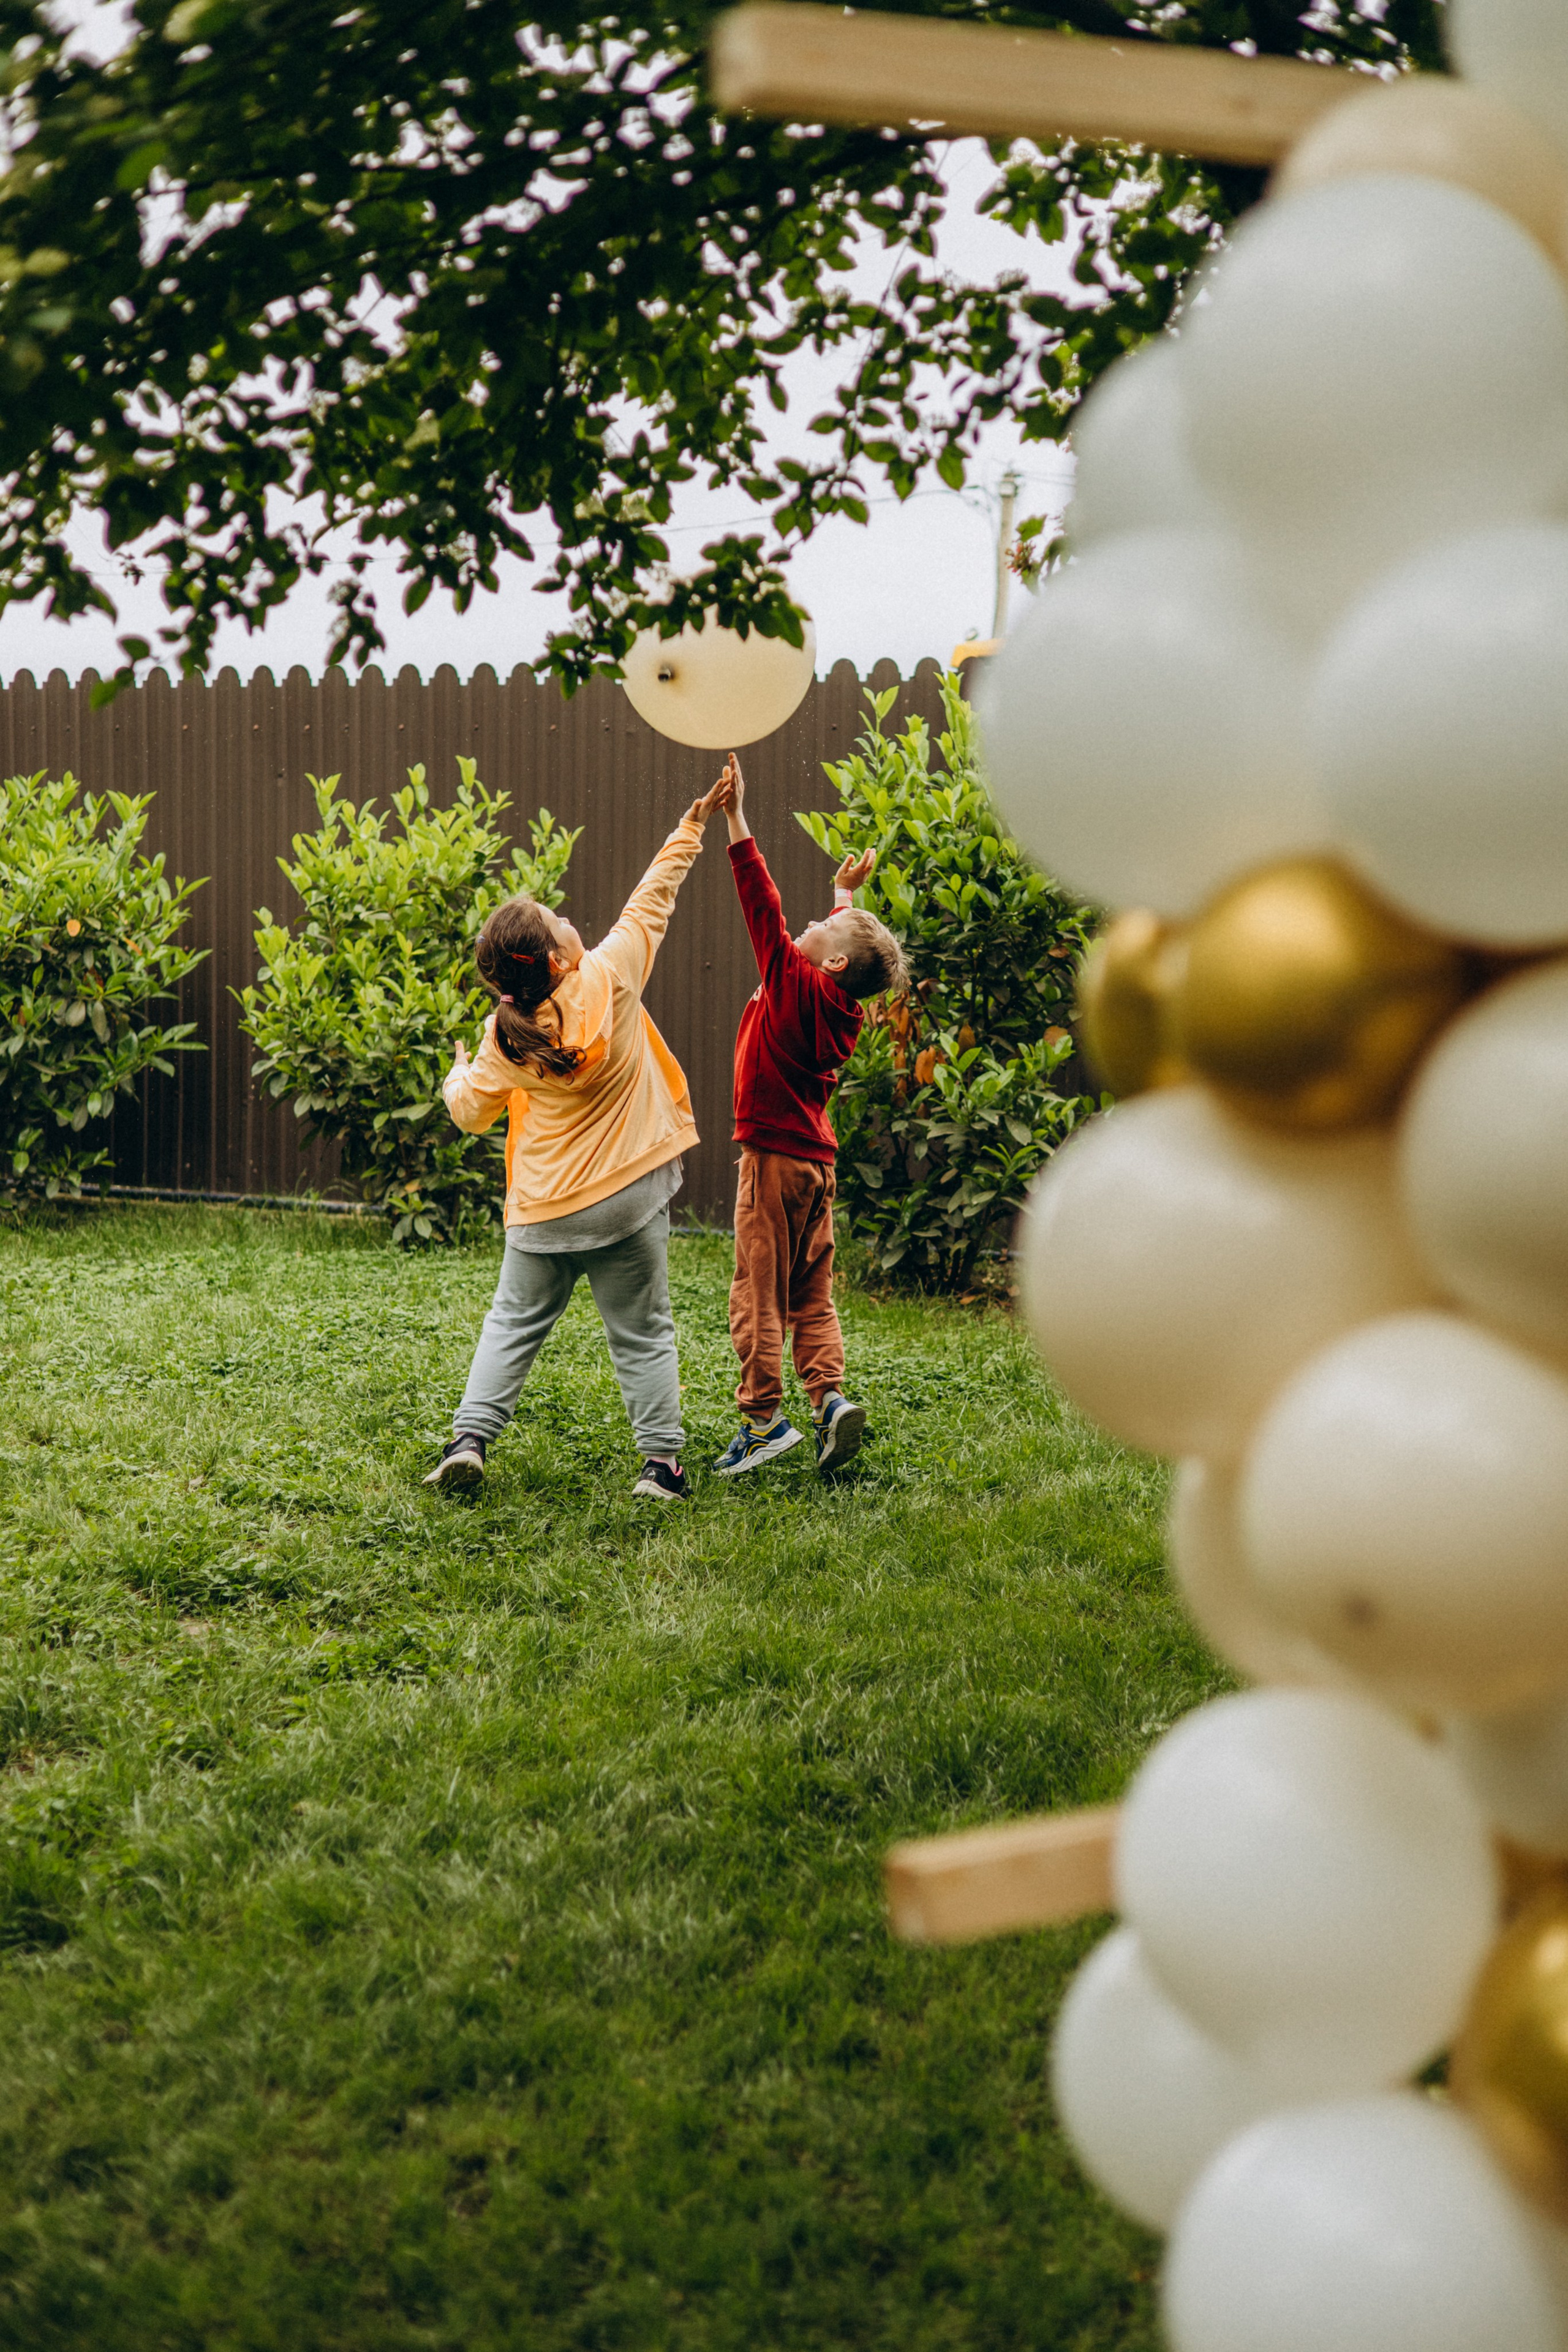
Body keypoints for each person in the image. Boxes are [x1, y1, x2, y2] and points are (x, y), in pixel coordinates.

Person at [424, 773, 730, 1503]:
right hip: (628, 1199)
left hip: (545, 1211)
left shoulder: (504, 1037)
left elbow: (470, 1113)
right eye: (557, 918)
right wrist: (690, 827)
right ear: (558, 960)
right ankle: (661, 1468)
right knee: (643, 1333)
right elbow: (653, 898)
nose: (567, 919)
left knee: (511, 1324)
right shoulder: (610, 976)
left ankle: (468, 1442)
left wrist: (457, 1074)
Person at [714, 752, 908, 1476]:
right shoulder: (836, 1004)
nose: (804, 926)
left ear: (829, 965)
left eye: (822, 927)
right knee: (811, 1294)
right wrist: (842, 897)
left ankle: (763, 1421)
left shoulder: (792, 979)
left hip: (770, 1163)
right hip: (816, 1167)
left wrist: (737, 818)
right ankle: (829, 1399)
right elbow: (830, 943)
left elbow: (759, 902)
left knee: (758, 1294)